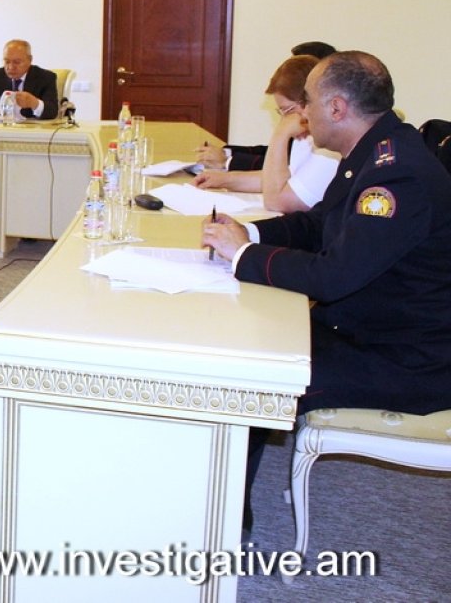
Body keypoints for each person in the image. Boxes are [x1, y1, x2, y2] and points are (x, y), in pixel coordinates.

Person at [201, 51, 451, 534]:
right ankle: (221, 495)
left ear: (337, 108)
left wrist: (243, 257)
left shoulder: (397, 175)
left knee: (248, 378)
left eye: (309, 102)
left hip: (405, 358)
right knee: (244, 346)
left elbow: (333, 276)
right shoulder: (373, 152)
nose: (303, 114)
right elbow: (319, 225)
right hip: (370, 330)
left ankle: (223, 523)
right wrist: (248, 234)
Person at [191, 56, 339, 212]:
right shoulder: (305, 136)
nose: (284, 118)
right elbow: (282, 178)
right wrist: (224, 180)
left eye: (287, 110)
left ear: (308, 102)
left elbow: (276, 202)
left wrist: (280, 134)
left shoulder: (328, 146)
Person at [198, 41, 338, 170]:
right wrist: (226, 153)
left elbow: (283, 169)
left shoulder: (326, 143)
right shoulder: (304, 128)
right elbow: (273, 154)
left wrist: (227, 161)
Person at [0, 39, 58, 121]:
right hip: (4, 131)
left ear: (30, 60)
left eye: (17, 62)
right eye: (7, 61)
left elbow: (52, 111)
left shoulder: (46, 77)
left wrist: (35, 104)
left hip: (34, 132)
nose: (10, 67)